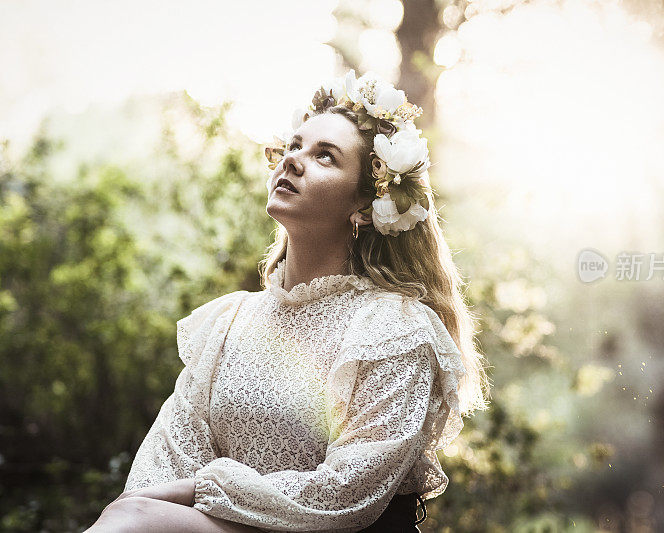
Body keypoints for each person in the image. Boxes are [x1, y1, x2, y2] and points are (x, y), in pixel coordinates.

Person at [86, 70, 491, 532]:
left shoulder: (395, 327)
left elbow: (348, 492)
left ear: (364, 205)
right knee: (130, 514)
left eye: (325, 157)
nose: (294, 161)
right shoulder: (228, 321)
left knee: (134, 518)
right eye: (294, 146)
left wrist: (205, 491)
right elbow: (163, 466)